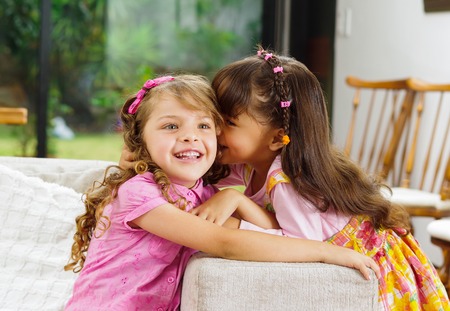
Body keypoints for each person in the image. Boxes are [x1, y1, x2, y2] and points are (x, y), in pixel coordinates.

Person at [65, 74, 379, 311]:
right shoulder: (139, 193)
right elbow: (225, 242)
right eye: (171, 127)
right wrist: (327, 252)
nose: (189, 137)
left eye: (203, 126)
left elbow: (270, 230)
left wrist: (239, 201)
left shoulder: (205, 194)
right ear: (140, 139)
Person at [185, 48, 449, 310]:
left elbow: (299, 247)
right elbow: (202, 186)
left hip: (378, 266)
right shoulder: (248, 162)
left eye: (229, 123)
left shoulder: (286, 180)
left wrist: (236, 205)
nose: (216, 130)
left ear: (277, 138)